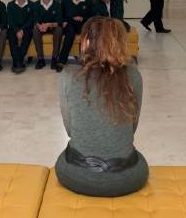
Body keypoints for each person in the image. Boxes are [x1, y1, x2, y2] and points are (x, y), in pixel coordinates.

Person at [55, 16, 148, 197]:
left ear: (87, 42)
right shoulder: (134, 76)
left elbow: (70, 129)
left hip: (76, 175)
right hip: (128, 178)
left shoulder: (68, 76)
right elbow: (132, 127)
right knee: (137, 158)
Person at [59, 0, 94, 66]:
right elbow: (60, 14)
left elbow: (92, 17)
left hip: (83, 24)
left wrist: (82, 18)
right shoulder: (66, 0)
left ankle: (84, 59)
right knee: (70, 33)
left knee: (85, 34)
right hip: (69, 24)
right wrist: (64, 21)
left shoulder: (88, 2)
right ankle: (62, 61)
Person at [32, 0, 64, 72]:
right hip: (41, 27)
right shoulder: (36, 4)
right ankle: (40, 60)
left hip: (53, 26)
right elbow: (35, 19)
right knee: (35, 30)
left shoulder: (57, 5)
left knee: (59, 30)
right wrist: (39, 26)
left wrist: (48, 25)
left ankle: (54, 59)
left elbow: (60, 22)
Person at [7, 0, 34, 74]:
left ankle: (17, 63)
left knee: (28, 35)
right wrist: (17, 30)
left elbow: (31, 21)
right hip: (14, 28)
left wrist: (22, 30)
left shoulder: (31, 5)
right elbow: (10, 20)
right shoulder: (10, 5)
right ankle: (18, 63)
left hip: (26, 28)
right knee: (11, 36)